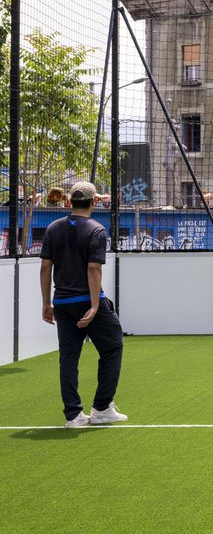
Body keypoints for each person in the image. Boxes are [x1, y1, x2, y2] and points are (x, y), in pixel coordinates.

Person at [39, 181, 127, 428]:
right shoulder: (96, 230)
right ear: (94, 202)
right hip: (86, 301)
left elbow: (46, 267)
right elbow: (93, 269)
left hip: (62, 302)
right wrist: (95, 306)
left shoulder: (53, 228)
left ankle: (73, 415)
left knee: (68, 356)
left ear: (69, 202)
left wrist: (47, 303)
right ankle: (101, 408)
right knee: (112, 348)